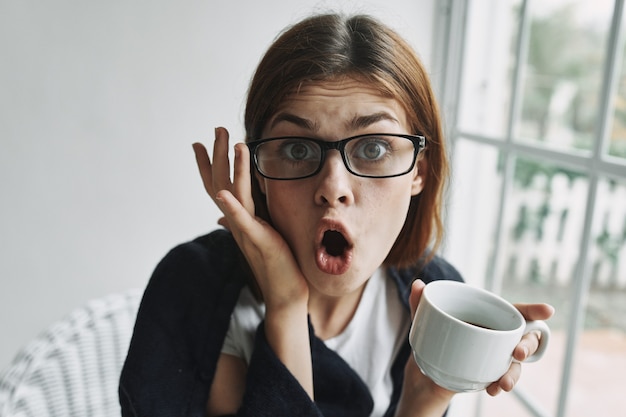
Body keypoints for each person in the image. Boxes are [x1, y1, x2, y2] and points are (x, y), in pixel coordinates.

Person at [119, 12, 554, 417]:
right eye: (296, 149)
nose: (333, 189)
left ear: (418, 171)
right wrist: (285, 305)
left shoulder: (435, 301)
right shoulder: (193, 290)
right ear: (259, 172)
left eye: (373, 148)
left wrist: (425, 397)